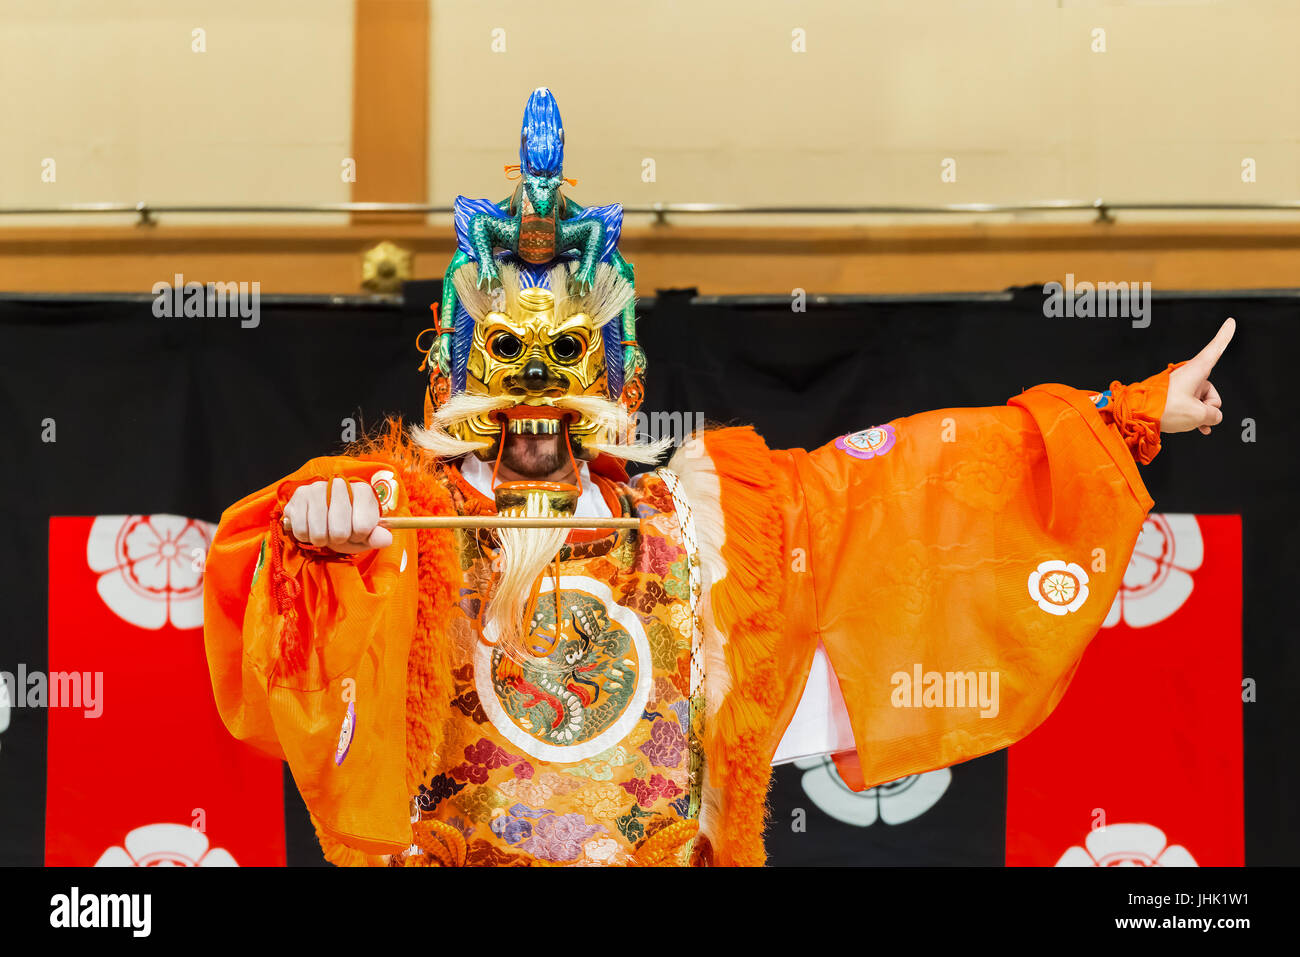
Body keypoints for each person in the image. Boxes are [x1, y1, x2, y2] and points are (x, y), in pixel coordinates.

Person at [202, 89, 1235, 867]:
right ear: (457, 376)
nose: (534, 402)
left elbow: (906, 486)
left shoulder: (698, 527)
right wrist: (316, 533)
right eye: (505, 361)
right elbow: (298, 569)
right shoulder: (403, 528)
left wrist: (1124, 413)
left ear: (610, 378)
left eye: (563, 361)